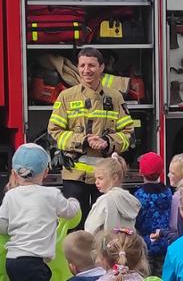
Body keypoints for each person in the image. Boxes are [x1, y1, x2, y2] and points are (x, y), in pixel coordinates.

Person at [0, 144, 81, 281]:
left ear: (15, 173)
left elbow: (1, 225)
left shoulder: (11, 196)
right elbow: (70, 211)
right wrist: (74, 201)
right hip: (34, 262)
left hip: (13, 260)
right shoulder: (51, 195)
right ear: (46, 172)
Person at [48, 47, 138, 217]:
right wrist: (82, 140)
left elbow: (129, 135)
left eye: (91, 65)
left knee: (104, 225)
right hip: (75, 175)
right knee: (76, 227)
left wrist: (107, 142)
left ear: (101, 68)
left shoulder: (115, 97)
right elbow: (54, 133)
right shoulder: (66, 97)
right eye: (82, 66)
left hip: (107, 177)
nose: (86, 70)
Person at [133, 152, 175, 268]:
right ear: (161, 171)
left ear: (140, 172)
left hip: (146, 244)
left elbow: (137, 221)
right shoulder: (168, 193)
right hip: (165, 241)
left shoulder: (139, 196)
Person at [84, 157, 140, 238]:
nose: (96, 182)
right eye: (95, 178)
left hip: (106, 247)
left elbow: (90, 229)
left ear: (114, 178)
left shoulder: (104, 200)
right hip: (127, 247)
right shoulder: (129, 199)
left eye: (100, 178)